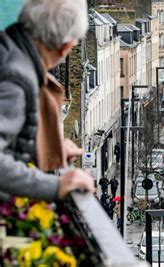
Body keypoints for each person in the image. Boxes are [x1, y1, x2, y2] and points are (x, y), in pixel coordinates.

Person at [0, 0, 94, 201]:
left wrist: (49, 147)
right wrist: (54, 186)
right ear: (65, 47)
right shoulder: (15, 79)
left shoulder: (8, 48)